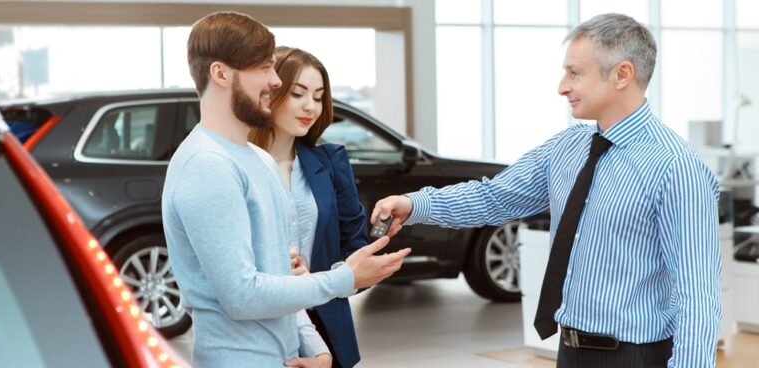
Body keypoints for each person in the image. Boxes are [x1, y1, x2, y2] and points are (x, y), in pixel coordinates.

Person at [372, 13, 720, 368]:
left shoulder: (677, 168)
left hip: (636, 356)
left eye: (575, 73)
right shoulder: (567, 148)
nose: (562, 86)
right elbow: (495, 197)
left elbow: (697, 295)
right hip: (570, 350)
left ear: (623, 74)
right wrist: (414, 204)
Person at [161, 11, 411, 367]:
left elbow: (283, 276)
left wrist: (317, 349)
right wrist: (345, 278)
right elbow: (242, 296)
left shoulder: (257, 160)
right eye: (264, 68)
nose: (276, 80)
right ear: (220, 73)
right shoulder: (206, 164)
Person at [248, 46, 369, 368]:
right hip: (260, 331)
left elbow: (356, 248)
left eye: (318, 96)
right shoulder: (237, 166)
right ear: (271, 92)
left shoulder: (330, 163)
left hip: (327, 330)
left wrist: (317, 280)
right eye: (299, 93)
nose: (310, 106)